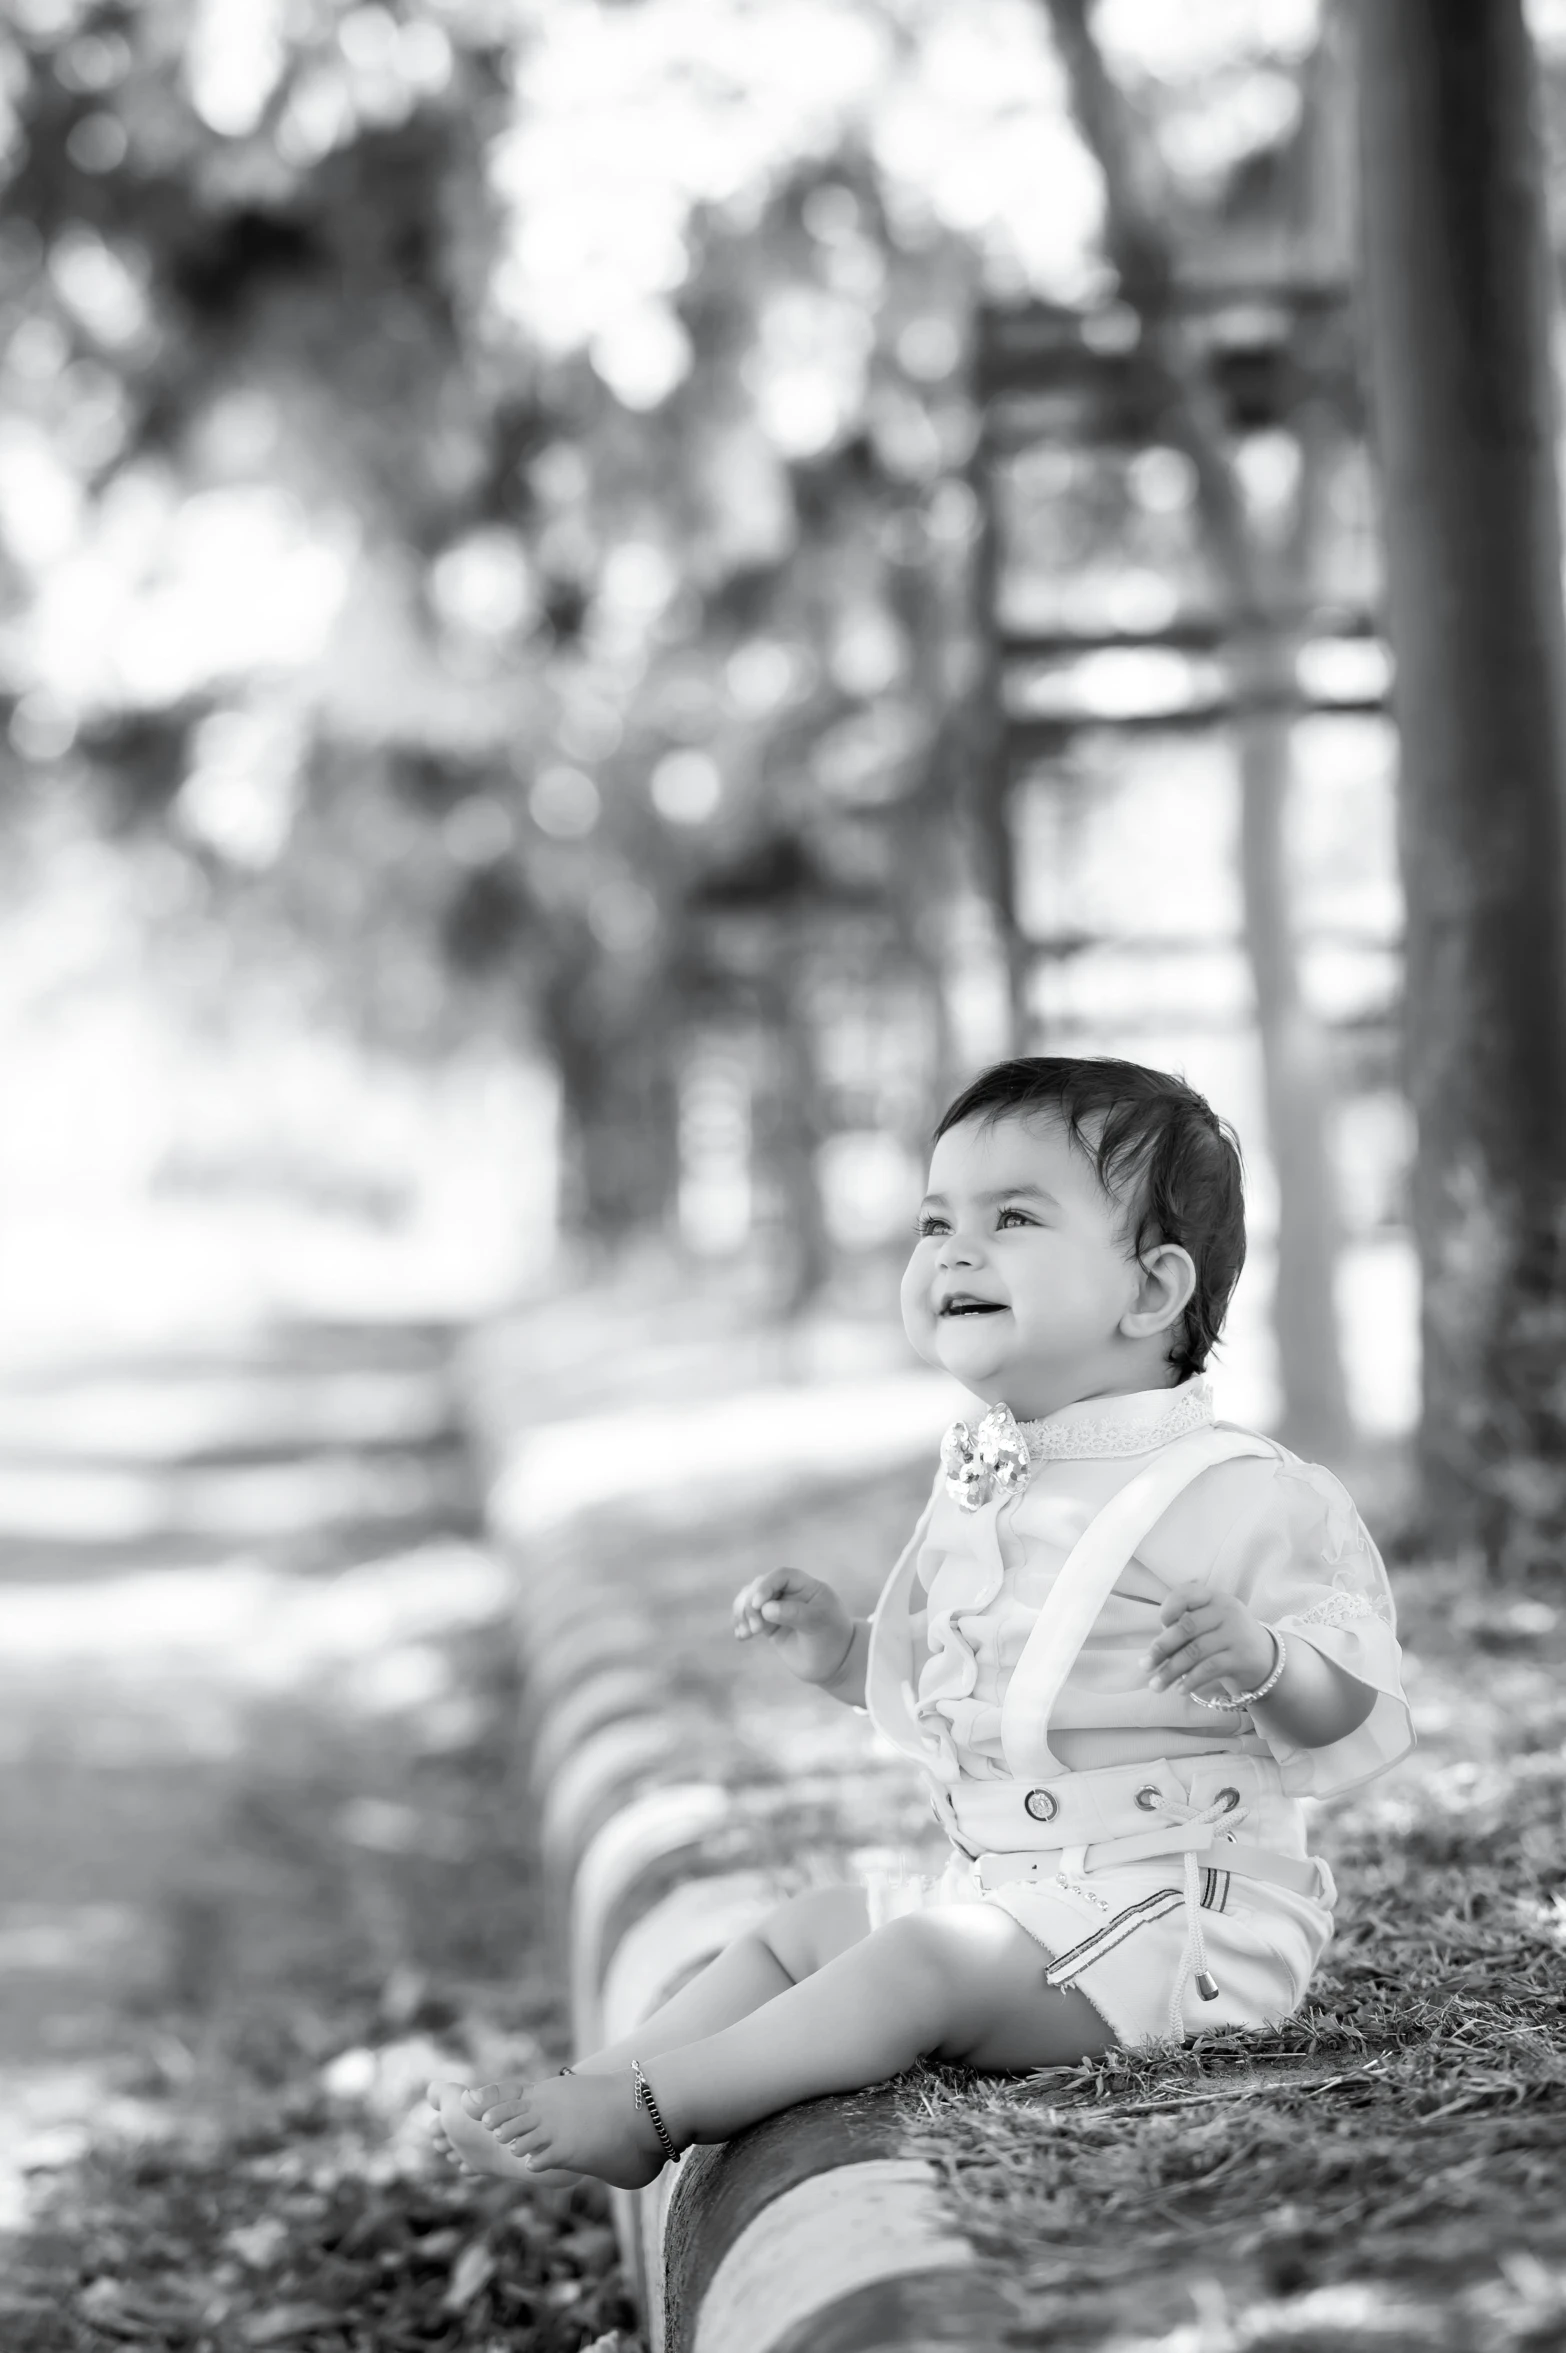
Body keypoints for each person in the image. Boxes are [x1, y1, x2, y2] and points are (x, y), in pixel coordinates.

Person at [429, 1055, 1412, 2189]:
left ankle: (650, 2114)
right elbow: (969, 1680)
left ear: (1150, 1292)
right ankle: (598, 2080)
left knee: (916, 1967)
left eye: (1014, 1218)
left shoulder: (1238, 1488)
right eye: (936, 1219)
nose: (955, 1249)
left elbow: (1359, 1698)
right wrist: (848, 1651)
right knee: (799, 1930)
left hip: (1175, 1919)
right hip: (1019, 1892)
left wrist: (1271, 1661)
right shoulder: (996, 1476)